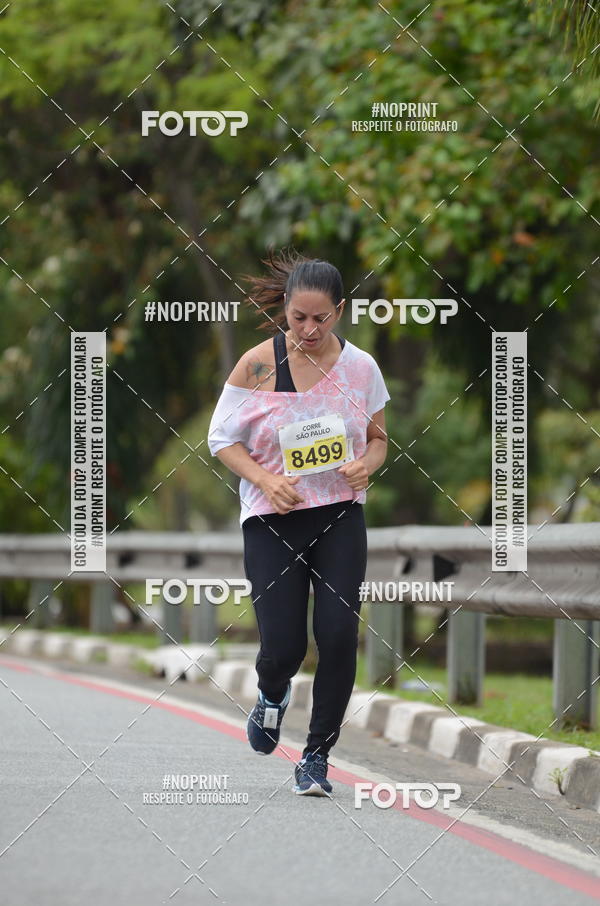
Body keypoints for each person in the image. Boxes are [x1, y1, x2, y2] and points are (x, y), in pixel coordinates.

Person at [207, 248, 390, 796]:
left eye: (321, 318)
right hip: (272, 521)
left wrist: (365, 466)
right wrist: (265, 480)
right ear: (284, 310)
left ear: (340, 311)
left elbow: (379, 440)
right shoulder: (259, 364)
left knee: (337, 636)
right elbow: (221, 439)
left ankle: (316, 755)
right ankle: (271, 693)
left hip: (338, 517)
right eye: (298, 319)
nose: (309, 330)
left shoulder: (362, 368)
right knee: (283, 647)